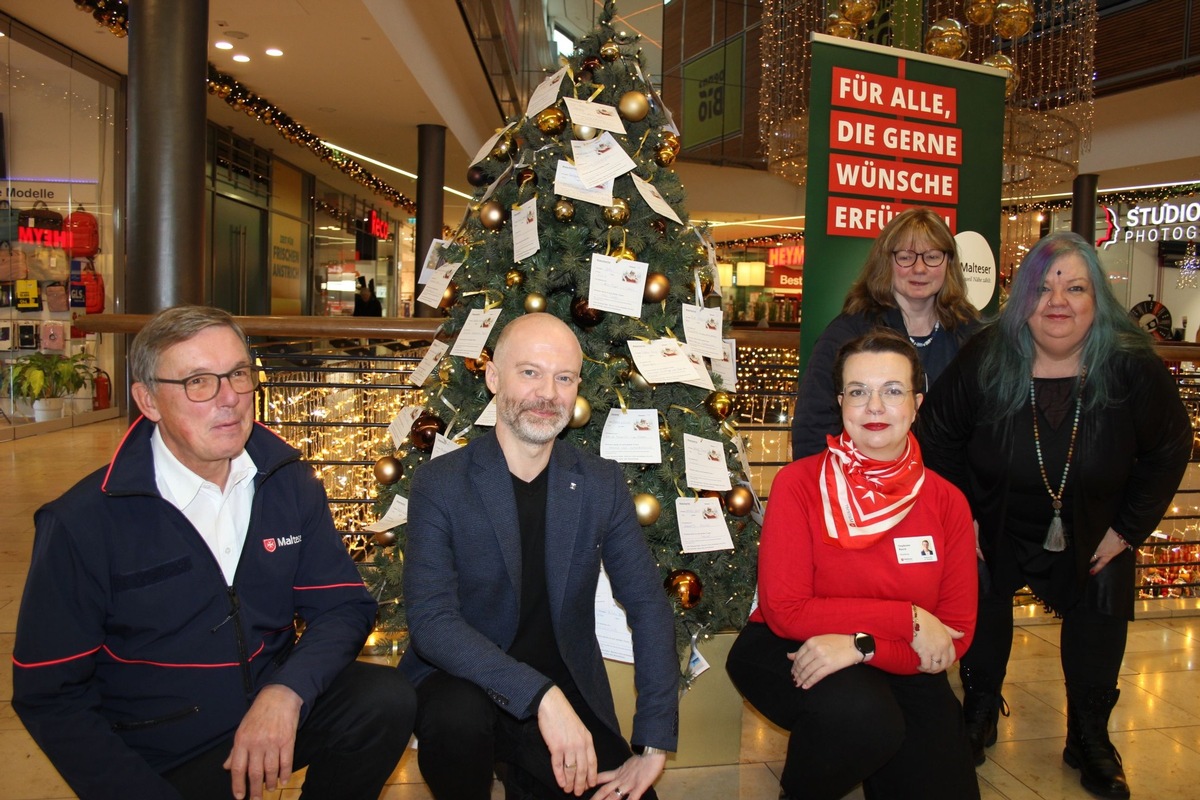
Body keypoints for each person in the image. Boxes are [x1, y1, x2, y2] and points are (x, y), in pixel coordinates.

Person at [12, 305, 415, 800]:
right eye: (199, 382)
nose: (230, 400)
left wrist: (285, 693)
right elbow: (50, 695)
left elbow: (343, 605)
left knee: (383, 700)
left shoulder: (286, 479)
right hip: (161, 756)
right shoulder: (82, 522)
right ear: (148, 401)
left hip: (269, 714)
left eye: (239, 374)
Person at [917, 232, 1191, 799]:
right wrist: (959, 515)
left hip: (1097, 524)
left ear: (1097, 301)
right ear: (1023, 301)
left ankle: (1089, 735)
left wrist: (1128, 530)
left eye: (1075, 287)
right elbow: (934, 434)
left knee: (1102, 597)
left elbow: (1170, 447)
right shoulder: (987, 356)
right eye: (1043, 287)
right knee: (981, 589)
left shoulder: (1131, 365)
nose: (1058, 300)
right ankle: (980, 712)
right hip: (994, 517)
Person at [401, 312, 678, 800]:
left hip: (566, 686)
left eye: (564, 377)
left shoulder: (599, 483)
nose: (548, 393)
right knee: (455, 717)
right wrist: (540, 696)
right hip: (465, 685)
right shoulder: (440, 483)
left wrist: (653, 744)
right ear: (492, 378)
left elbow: (648, 606)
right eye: (530, 372)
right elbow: (432, 622)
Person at [727, 330, 980, 800]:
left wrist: (864, 646)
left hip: (895, 658)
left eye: (892, 390)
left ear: (917, 401)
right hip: (790, 646)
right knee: (864, 719)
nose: (875, 408)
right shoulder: (799, 484)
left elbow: (954, 635)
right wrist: (907, 618)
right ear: (841, 401)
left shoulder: (947, 502)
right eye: (859, 392)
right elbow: (787, 609)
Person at [791, 208, 981, 460]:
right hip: (864, 490)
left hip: (948, 489)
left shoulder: (970, 334)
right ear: (886, 262)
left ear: (949, 263)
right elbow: (813, 423)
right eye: (906, 257)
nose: (920, 268)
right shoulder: (848, 333)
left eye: (933, 256)